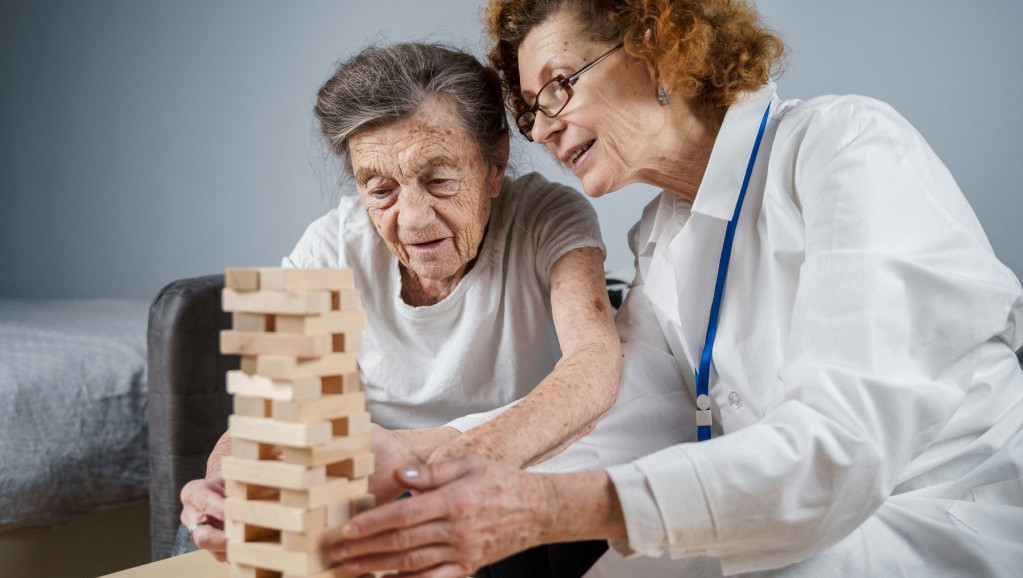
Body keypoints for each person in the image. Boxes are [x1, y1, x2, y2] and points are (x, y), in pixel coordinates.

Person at [326, 1, 1023, 577]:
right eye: (533, 105)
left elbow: (834, 453)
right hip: (809, 524)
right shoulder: (660, 237)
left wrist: (542, 510)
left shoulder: (845, 148)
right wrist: (421, 456)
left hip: (937, 518)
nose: (540, 126)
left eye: (560, 84)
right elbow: (629, 414)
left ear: (657, 49)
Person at [178, 42, 634, 572]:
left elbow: (596, 364)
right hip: (367, 508)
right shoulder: (325, 245)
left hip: (509, 499)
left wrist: (416, 459)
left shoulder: (550, 214)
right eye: (381, 190)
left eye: (440, 181)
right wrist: (225, 486)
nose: (414, 220)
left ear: (495, 165)